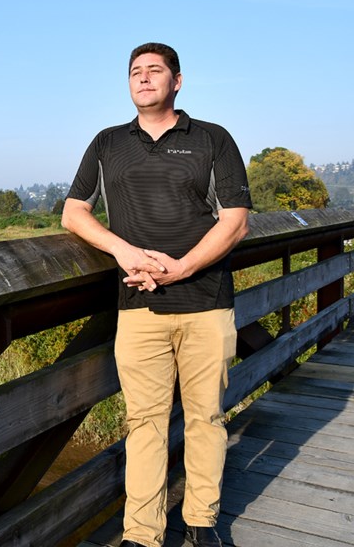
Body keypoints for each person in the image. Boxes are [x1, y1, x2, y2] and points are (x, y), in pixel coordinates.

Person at [61, 42, 252, 547]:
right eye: (135, 72)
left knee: (206, 417)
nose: (144, 79)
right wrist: (123, 251)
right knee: (143, 423)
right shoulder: (107, 143)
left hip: (206, 302)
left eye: (155, 71)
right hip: (137, 306)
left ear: (177, 81)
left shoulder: (213, 139)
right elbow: (74, 212)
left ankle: (201, 522)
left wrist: (181, 267)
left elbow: (236, 221)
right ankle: (141, 534)